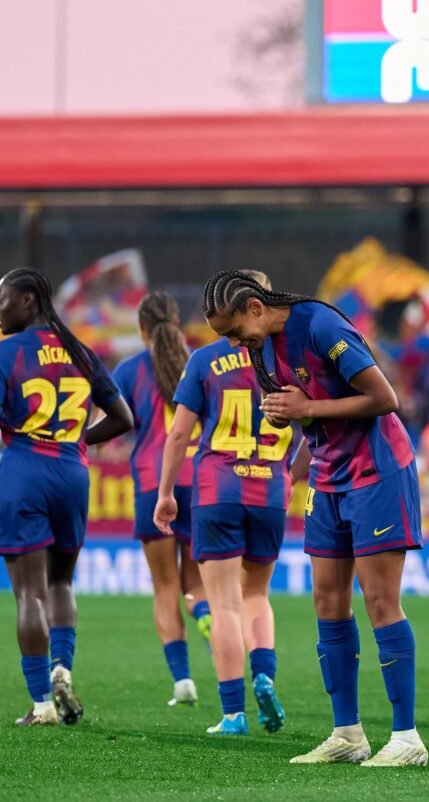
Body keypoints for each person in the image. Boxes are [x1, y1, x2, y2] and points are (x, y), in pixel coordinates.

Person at [202, 269, 427, 768]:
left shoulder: (322, 325)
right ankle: (348, 733)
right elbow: (309, 415)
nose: (234, 344)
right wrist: (294, 433)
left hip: (378, 473)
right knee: (327, 600)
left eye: (234, 331)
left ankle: (407, 738)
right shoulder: (260, 349)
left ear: (255, 308)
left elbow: (385, 399)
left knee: (381, 600)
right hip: (328, 476)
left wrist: (309, 406)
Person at [0, 268, 132, 727]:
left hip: (24, 470)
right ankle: (63, 666)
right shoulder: (80, 351)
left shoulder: (5, 352)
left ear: (26, 301)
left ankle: (41, 702)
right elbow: (123, 418)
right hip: (72, 473)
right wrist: (79, 438)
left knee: (29, 594)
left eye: (2, 300)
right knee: (61, 584)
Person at [156, 271, 294, 737]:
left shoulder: (205, 360)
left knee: (225, 604)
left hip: (218, 489)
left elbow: (179, 433)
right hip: (271, 488)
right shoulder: (288, 357)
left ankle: (234, 713)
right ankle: (264, 676)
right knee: (257, 595)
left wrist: (165, 493)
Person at [113, 292, 211, 710]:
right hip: (202, 482)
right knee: (196, 584)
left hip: (156, 482)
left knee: (164, 587)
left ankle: (183, 680)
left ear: (142, 328)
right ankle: (208, 620)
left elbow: (116, 422)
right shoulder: (203, 364)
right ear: (176, 321)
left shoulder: (131, 369)